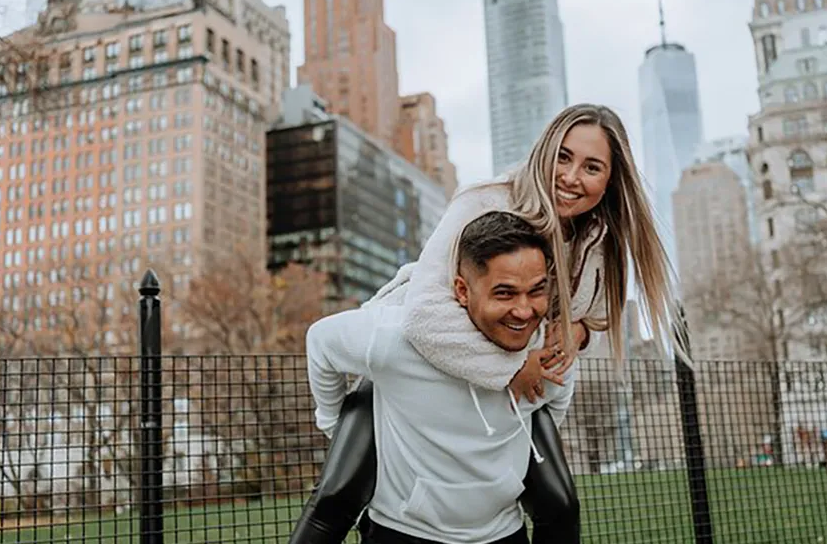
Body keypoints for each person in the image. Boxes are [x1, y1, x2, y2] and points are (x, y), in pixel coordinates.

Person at [289, 103, 687, 542]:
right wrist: (511, 372)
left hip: (512, 359)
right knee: (339, 493)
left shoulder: (596, 239)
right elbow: (424, 314)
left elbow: (592, 315)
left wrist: (575, 331)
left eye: (592, 167)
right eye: (563, 156)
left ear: (610, 181)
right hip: (421, 352)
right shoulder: (485, 200)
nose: (572, 177)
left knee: (560, 503)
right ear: (543, 152)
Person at [304, 211, 577, 544]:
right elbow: (320, 340)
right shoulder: (395, 339)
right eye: (504, 293)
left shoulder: (549, 353)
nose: (524, 311)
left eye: (536, 291)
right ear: (462, 291)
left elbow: (554, 407)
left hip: (504, 534)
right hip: (403, 533)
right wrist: (332, 423)